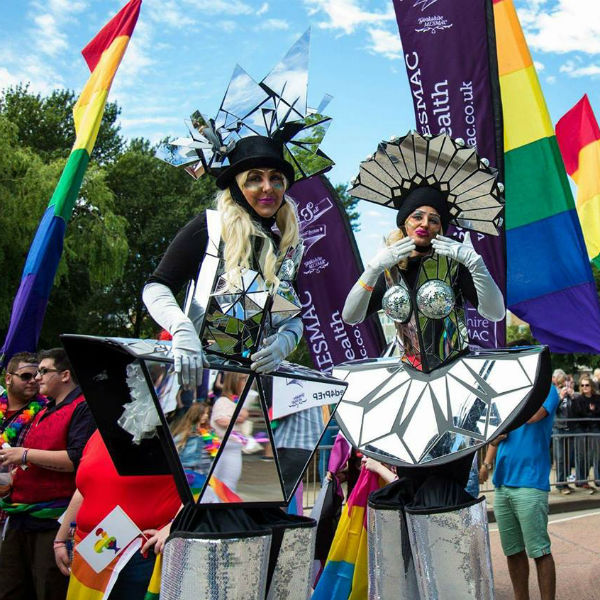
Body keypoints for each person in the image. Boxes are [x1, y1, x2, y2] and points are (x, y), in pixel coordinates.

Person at [143, 134, 304, 391]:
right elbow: (156, 286)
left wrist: (286, 339)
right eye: (255, 178)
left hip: (243, 388)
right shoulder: (209, 227)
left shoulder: (284, 247)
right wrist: (181, 329)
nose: (267, 187)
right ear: (236, 186)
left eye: (276, 178)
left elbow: (289, 314)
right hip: (190, 379)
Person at [0, 348, 96, 600]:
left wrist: (24, 454)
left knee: (48, 591)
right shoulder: (43, 409)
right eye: (32, 373)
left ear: (65, 375)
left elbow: (78, 461)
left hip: (53, 521)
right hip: (19, 515)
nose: (37, 378)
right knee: (10, 590)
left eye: (43, 371)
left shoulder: (82, 408)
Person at [53, 429, 181, 599]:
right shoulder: (101, 430)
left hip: (138, 553)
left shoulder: (170, 426)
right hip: (93, 548)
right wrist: (60, 540)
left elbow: (204, 485)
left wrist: (174, 526)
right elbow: (85, 487)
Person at [480, 384, 560, 600]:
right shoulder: (509, 392)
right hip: (503, 483)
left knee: (540, 551)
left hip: (531, 483)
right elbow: (495, 434)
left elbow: (534, 416)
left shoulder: (548, 390)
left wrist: (503, 415)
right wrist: (487, 460)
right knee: (513, 551)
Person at [0, 353, 45, 515]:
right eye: (26, 376)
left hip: (18, 507)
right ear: (8, 378)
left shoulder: (45, 413)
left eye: (37, 375)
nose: (33, 380)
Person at [210, 372, 249, 492]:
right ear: (235, 382)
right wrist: (237, 419)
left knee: (230, 484)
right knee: (214, 483)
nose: (245, 384)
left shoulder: (238, 402)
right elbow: (220, 420)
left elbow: (243, 415)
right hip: (221, 447)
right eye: (243, 380)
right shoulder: (222, 401)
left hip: (234, 448)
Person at [572, 374, 599, 492]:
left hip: (595, 428)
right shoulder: (578, 399)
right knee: (581, 456)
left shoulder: (597, 398)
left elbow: (597, 412)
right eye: (582, 385)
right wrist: (590, 412)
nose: (584, 387)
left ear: (591, 386)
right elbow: (578, 413)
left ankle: (598, 479)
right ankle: (581, 480)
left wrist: (593, 411)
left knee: (597, 455)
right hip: (581, 429)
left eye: (587, 385)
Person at [171, 401, 214, 476]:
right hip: (190, 470)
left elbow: (212, 451)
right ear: (196, 414)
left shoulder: (207, 432)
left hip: (204, 470)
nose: (206, 416)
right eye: (203, 413)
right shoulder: (187, 432)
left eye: (207, 413)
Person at [550, 369, 575, 494]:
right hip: (558, 428)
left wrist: (573, 396)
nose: (563, 385)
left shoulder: (569, 393)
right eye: (560, 382)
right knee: (560, 458)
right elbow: (552, 408)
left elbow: (574, 409)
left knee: (568, 458)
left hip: (569, 428)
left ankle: (565, 482)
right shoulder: (553, 392)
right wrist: (560, 397)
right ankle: (560, 484)